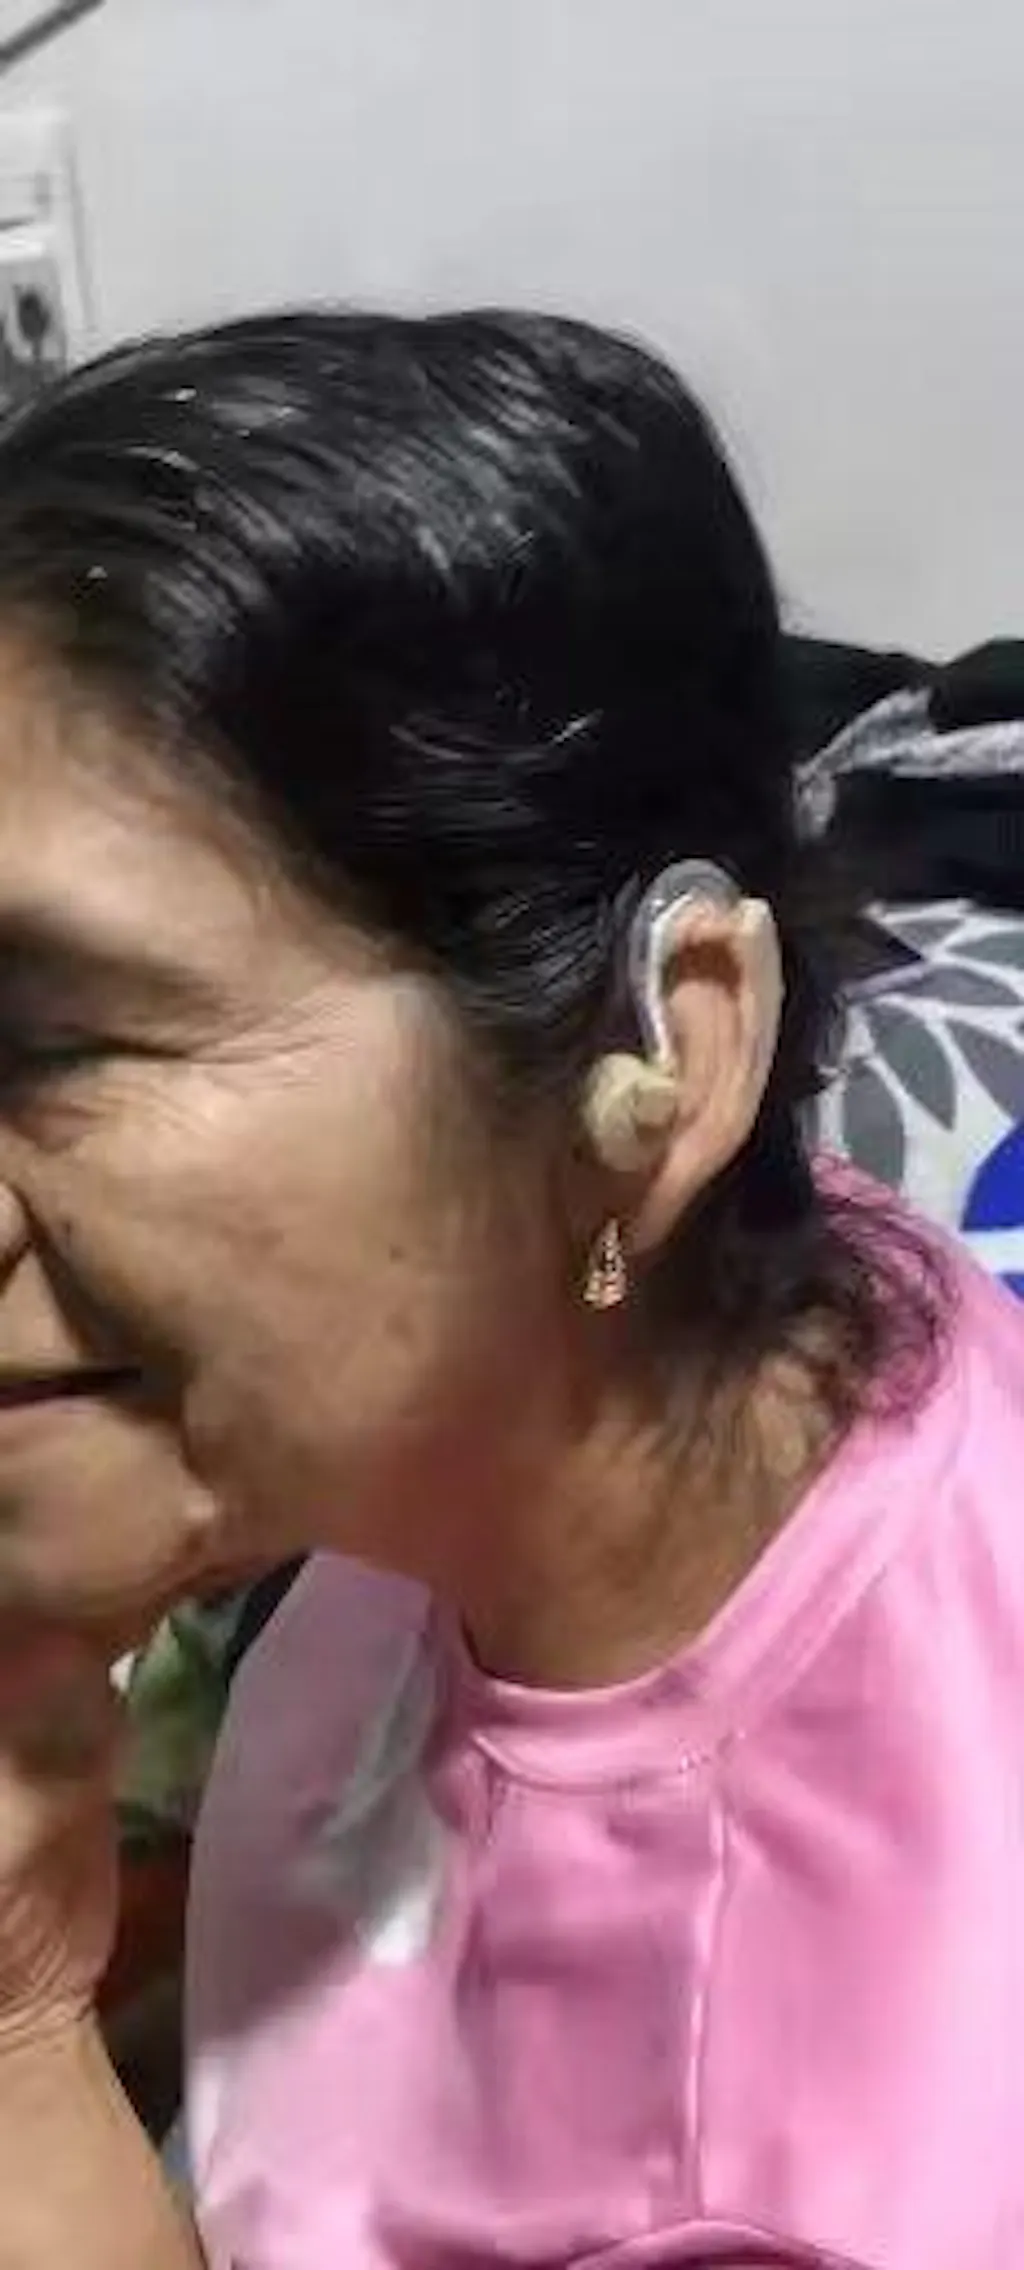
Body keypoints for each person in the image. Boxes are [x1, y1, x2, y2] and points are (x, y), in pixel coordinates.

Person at [0, 311, 1019, 2270]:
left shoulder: (837, 2140)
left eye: (54, 1041)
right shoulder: (709, 1335)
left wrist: (23, 2009)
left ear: (663, 1061)